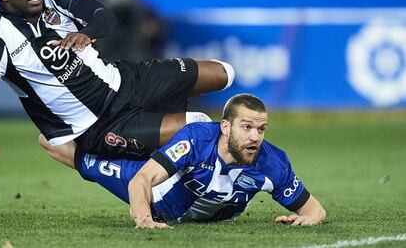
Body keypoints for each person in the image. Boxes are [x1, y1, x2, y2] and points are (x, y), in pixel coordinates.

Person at [0, 0, 235, 161]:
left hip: (127, 79)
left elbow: (102, 15)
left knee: (224, 73)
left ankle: (167, 136)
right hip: (101, 124)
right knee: (200, 126)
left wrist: (86, 33)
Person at [42, 93, 326, 228]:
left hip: (201, 212)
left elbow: (315, 210)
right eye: (247, 127)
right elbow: (142, 180)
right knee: (66, 150)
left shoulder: (273, 163)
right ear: (225, 127)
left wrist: (307, 220)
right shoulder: (197, 139)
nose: (255, 137)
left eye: (261, 129)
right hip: (157, 198)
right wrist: (144, 219)